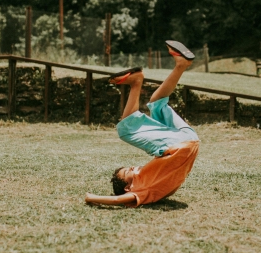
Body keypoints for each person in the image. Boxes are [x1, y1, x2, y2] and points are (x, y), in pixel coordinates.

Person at [84, 40, 199, 207]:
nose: (133, 168)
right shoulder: (141, 188)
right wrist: (92, 197)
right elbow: (118, 200)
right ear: (128, 187)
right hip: (180, 146)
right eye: (128, 173)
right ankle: (136, 82)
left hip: (190, 141)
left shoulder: (152, 181)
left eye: (129, 168)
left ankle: (181, 65)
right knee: (125, 131)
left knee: (157, 102)